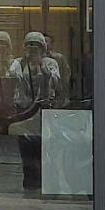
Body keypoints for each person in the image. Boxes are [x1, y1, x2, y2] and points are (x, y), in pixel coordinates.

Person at [9, 32, 61, 191]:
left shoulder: (50, 63)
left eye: (36, 45)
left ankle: (48, 183)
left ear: (43, 48)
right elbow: (12, 76)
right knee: (26, 149)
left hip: (44, 112)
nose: (32, 48)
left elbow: (56, 82)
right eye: (29, 45)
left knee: (46, 148)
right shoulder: (19, 63)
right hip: (24, 112)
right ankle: (31, 183)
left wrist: (43, 69)